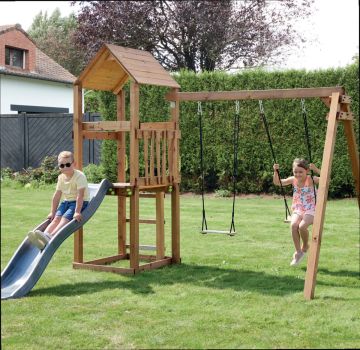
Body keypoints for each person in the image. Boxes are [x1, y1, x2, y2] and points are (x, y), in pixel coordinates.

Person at [27, 151, 89, 250]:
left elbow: (80, 196)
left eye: (68, 164)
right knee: (56, 218)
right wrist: (52, 211)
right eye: (62, 165)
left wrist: (77, 212)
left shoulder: (79, 176)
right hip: (66, 202)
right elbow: (57, 195)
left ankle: (52, 236)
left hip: (79, 202)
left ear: (74, 164)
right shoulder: (61, 177)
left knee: (64, 218)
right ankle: (43, 236)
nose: (65, 167)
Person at [273, 158, 321, 266]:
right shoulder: (293, 179)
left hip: (311, 208)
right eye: (295, 172)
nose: (298, 174)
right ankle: (299, 251)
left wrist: (316, 169)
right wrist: (275, 171)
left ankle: (305, 245)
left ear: (307, 171)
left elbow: (326, 179)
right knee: (294, 225)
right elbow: (277, 182)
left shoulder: (311, 179)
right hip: (298, 208)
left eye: (300, 172)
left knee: (302, 226)